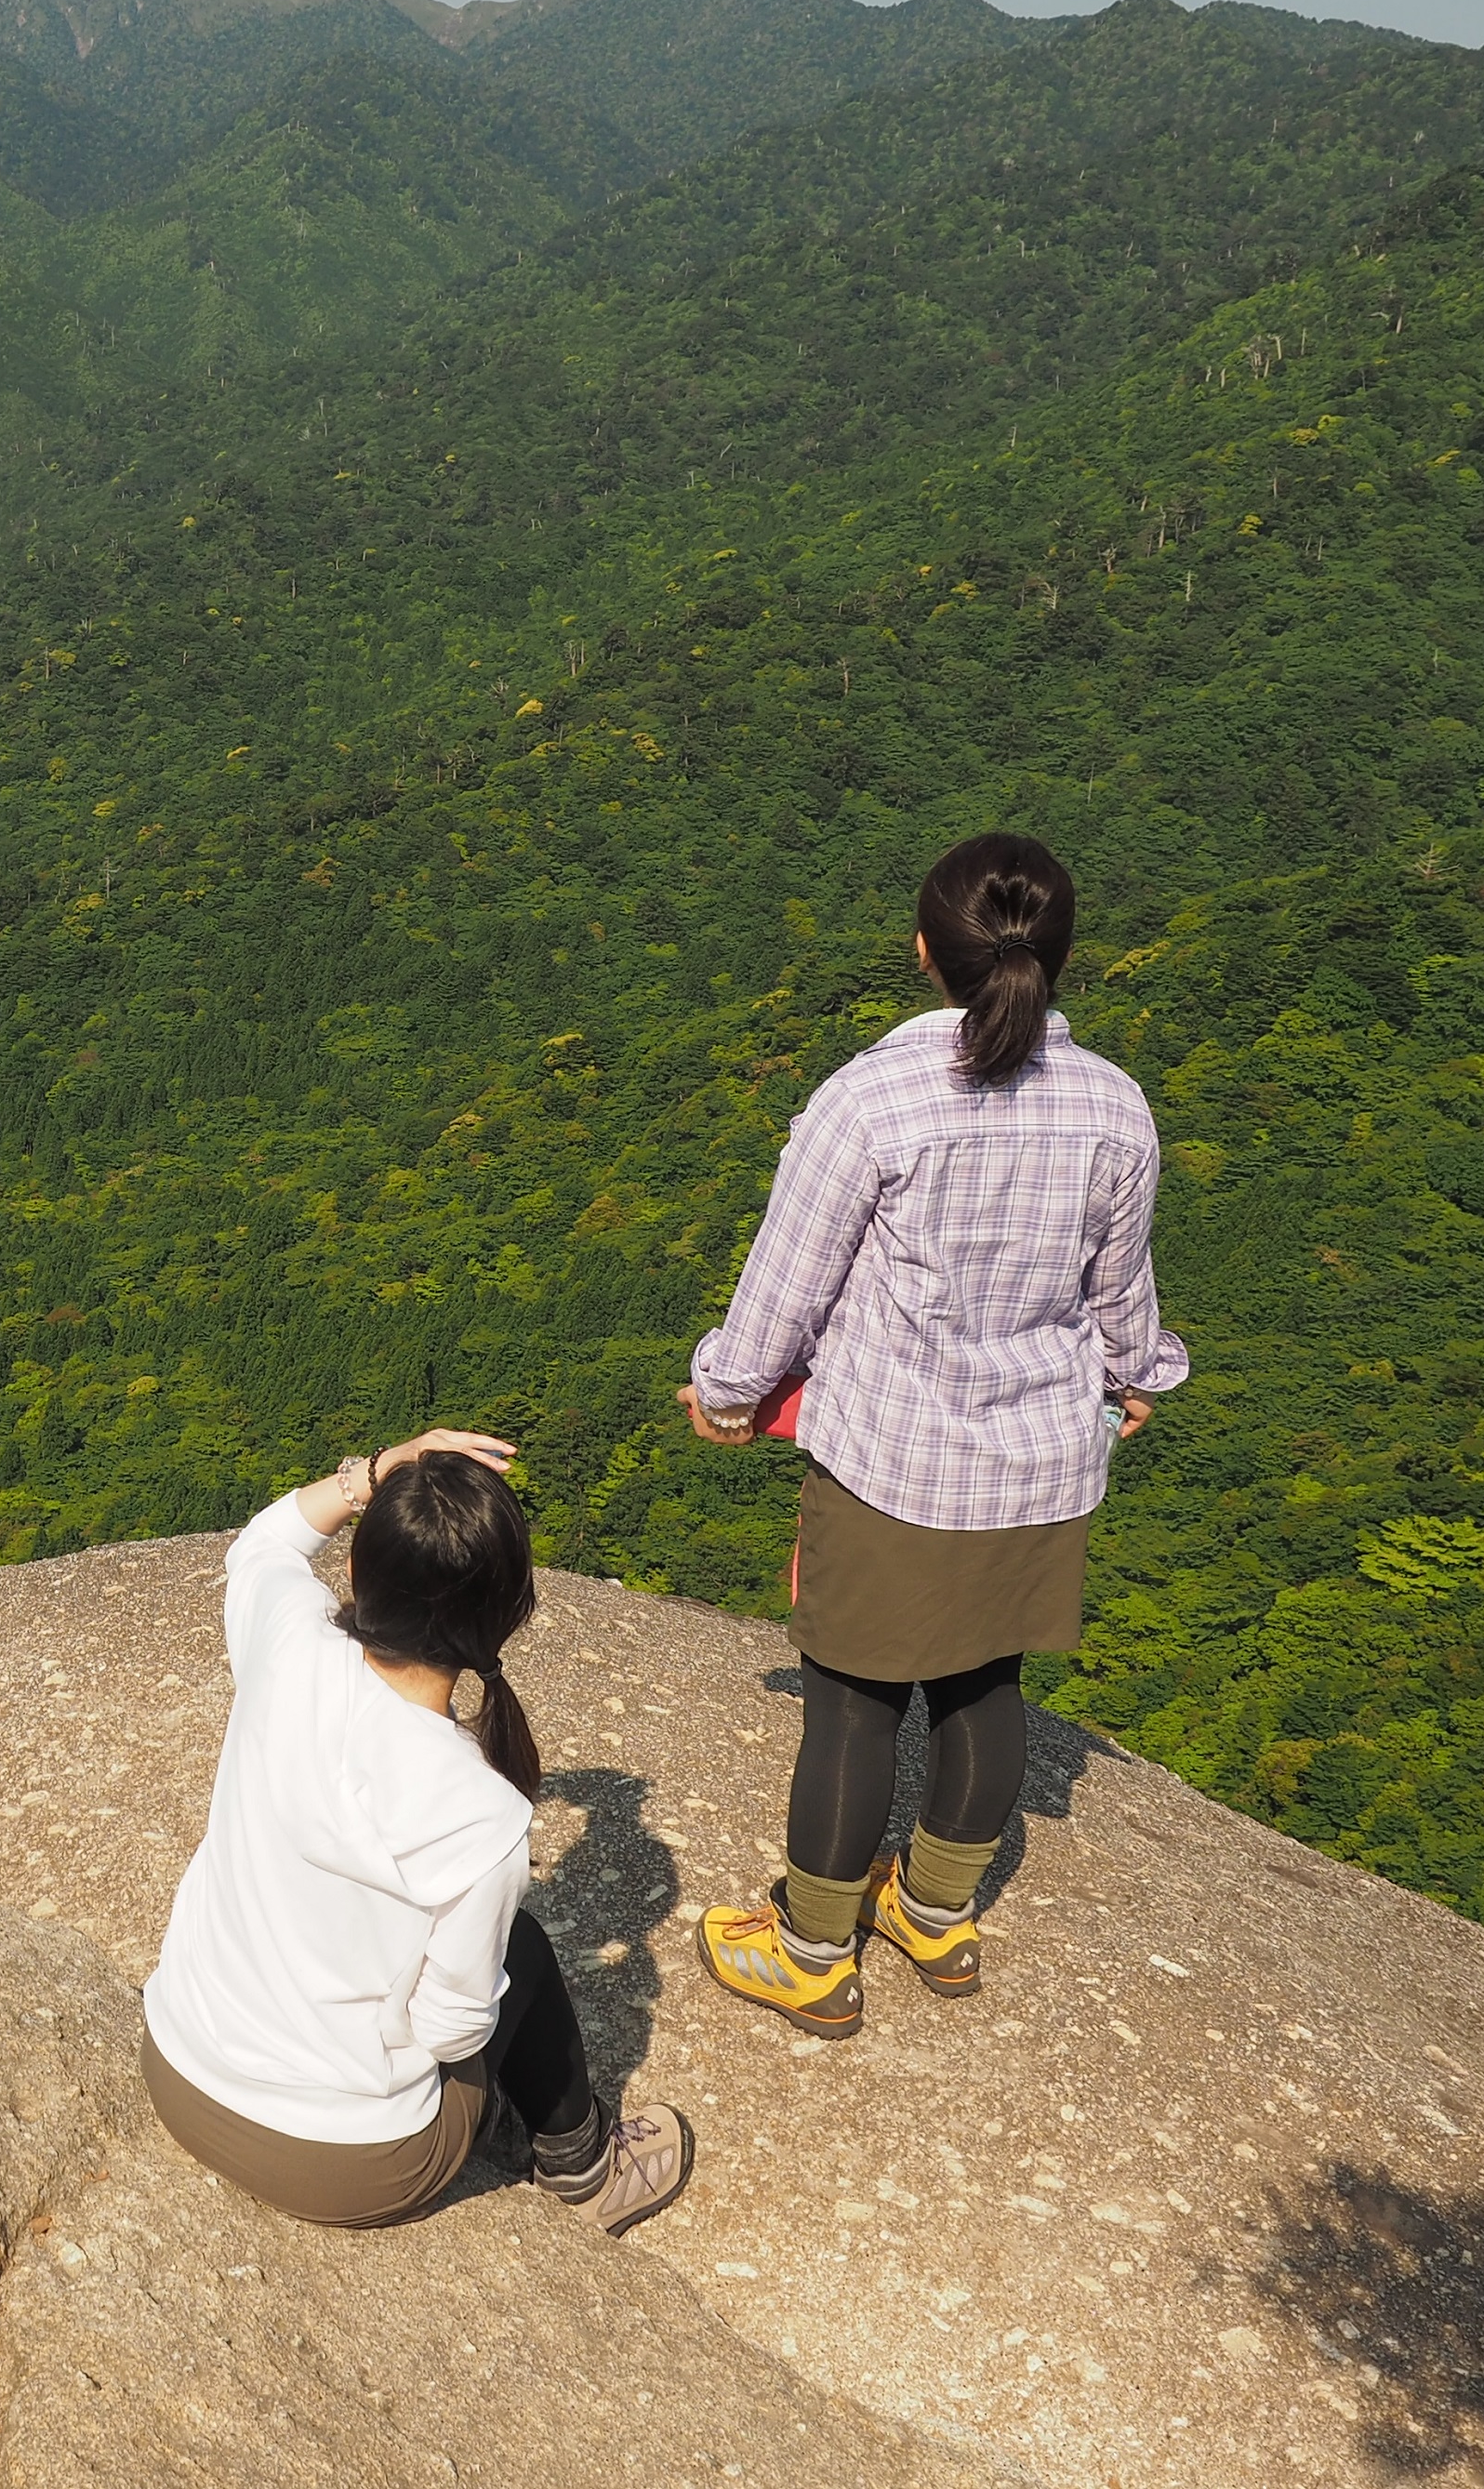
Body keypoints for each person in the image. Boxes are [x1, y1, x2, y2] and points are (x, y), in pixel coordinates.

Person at [679, 831, 1188, 2038]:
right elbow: (1121, 1294)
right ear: (1058, 958)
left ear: (925, 952)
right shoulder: (1117, 1109)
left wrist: (726, 1393)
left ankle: (811, 1950)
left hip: (895, 1460)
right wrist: (1139, 1374)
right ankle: (937, 1913)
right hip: (1042, 1462)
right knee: (983, 1685)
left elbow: (784, 1289)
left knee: (854, 1704)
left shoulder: (875, 1103)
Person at [140, 1428, 695, 2231]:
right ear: (510, 1617)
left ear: (359, 1574)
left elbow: (266, 1544)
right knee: (525, 1951)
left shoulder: (288, 1644)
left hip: (181, 2071)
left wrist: (372, 1476)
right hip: (344, 2166)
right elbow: (450, 2029)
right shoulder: (483, 1813)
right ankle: (589, 2170)